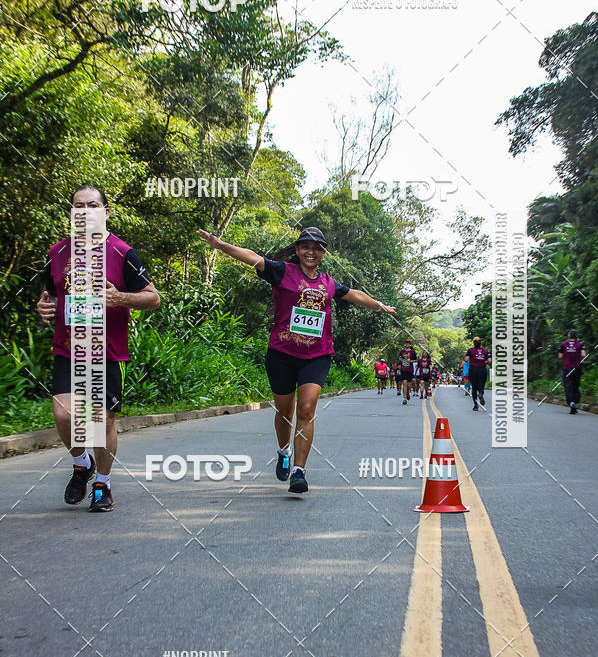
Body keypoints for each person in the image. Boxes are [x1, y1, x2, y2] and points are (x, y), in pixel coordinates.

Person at [197, 226, 396, 494]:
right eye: (306, 246)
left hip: (317, 356)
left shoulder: (328, 283)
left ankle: (299, 471)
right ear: (298, 249)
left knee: (306, 410)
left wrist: (379, 306)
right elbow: (251, 256)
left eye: (317, 248)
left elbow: (355, 294)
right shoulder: (282, 271)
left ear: (323, 253)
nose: (310, 252)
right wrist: (221, 246)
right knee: (284, 412)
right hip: (281, 355)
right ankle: (283, 451)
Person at [37, 186, 160, 512]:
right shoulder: (58, 251)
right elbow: (50, 291)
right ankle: (82, 464)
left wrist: (121, 297)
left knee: (103, 421)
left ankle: (103, 484)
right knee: (64, 414)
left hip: (108, 352)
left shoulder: (121, 252)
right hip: (68, 349)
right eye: (79, 206)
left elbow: (154, 297)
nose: (85, 210)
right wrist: (44, 304)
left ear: (105, 212)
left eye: (93, 205)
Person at [558, 330, 587, 414]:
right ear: (576, 336)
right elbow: (584, 355)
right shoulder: (580, 345)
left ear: (568, 336)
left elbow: (560, 356)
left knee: (568, 386)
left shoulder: (563, 344)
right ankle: (575, 402)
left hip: (567, 368)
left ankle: (571, 403)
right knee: (575, 386)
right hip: (576, 368)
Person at [467, 336, 491, 411]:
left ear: (474, 343)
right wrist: (484, 362)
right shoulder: (486, 351)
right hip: (482, 370)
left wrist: (471, 359)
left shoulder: (470, 350)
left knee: (474, 387)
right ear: (481, 342)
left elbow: (466, 359)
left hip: (473, 370)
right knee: (481, 384)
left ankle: (475, 405)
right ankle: (481, 393)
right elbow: (490, 361)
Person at [397, 339, 417, 404]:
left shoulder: (412, 351)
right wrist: (400, 362)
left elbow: (417, 360)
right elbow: (399, 359)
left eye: (408, 343)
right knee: (404, 383)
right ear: (405, 344)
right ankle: (405, 399)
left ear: (410, 345)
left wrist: (411, 361)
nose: (407, 344)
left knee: (409, 385)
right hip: (403, 369)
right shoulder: (402, 351)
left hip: (410, 370)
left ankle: (408, 393)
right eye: (406, 343)